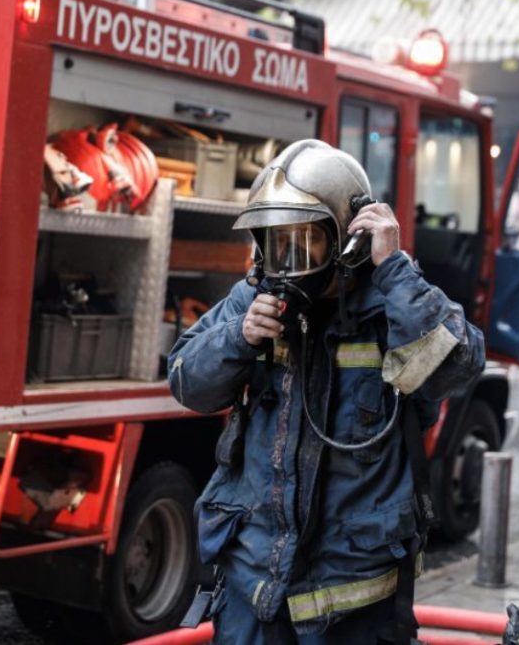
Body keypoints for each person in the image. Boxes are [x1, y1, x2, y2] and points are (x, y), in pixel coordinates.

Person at [168, 139, 484, 643]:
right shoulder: (253, 300)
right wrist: (239, 337)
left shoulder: (393, 304)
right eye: (273, 241)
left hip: (351, 608)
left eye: (301, 240)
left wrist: (393, 268)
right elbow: (185, 382)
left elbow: (457, 368)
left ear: (346, 238)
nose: (284, 261)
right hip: (254, 596)